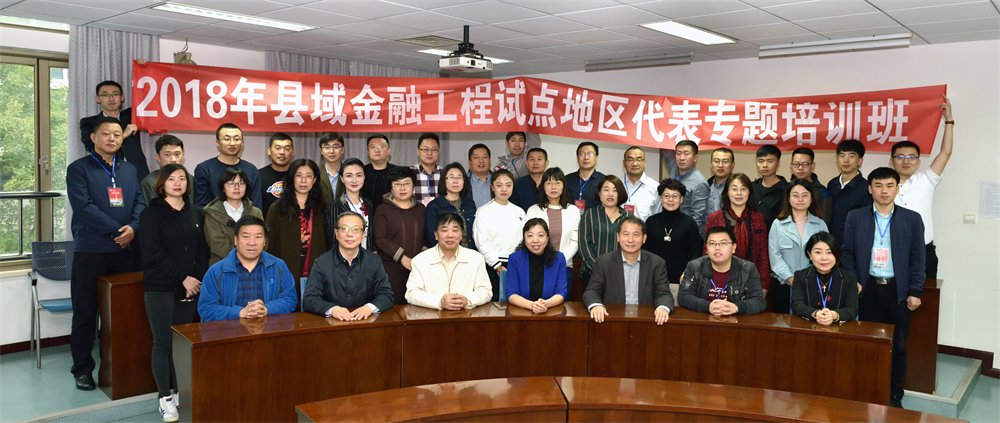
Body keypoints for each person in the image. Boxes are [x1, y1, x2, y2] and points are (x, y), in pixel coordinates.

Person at [67, 117, 145, 391]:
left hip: (126, 251)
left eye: (117, 134)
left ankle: (117, 366)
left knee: (122, 314)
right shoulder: (79, 169)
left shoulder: (129, 169)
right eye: (106, 134)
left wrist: (133, 229)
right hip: (92, 250)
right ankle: (82, 370)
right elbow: (84, 207)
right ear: (93, 138)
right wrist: (117, 232)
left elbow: (140, 202)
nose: (112, 138)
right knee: (86, 314)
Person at [842, 167, 925, 409]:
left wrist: (915, 291)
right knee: (867, 344)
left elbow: (918, 258)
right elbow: (847, 252)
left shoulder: (912, 219)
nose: (884, 191)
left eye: (889, 185)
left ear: (897, 189)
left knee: (897, 346)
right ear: (870, 189)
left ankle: (894, 394)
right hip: (866, 290)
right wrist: (853, 280)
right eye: (878, 186)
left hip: (898, 292)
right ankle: (868, 390)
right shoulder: (855, 217)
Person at [137, 164, 209, 421]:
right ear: (162, 184)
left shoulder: (196, 212)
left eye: (182, 178)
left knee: (181, 344)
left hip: (189, 287)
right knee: (163, 344)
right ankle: (164, 397)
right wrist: (183, 278)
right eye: (171, 179)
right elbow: (153, 253)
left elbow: (203, 249)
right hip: (160, 286)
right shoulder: (151, 213)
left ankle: (181, 394)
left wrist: (195, 279)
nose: (177, 183)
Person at [892, 96, 954, 278]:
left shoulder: (926, 180)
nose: (906, 161)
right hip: (892, 252)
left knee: (925, 295)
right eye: (900, 157)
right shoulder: (883, 186)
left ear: (918, 162)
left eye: (911, 157)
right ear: (891, 161)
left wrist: (949, 120)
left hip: (923, 253)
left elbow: (946, 152)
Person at [198, 215, 298, 322]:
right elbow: (206, 309)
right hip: (229, 331)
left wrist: (266, 309)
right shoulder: (216, 271)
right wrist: (241, 313)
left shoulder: (278, 266)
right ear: (235, 240)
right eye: (246, 237)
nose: (252, 242)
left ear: (265, 241)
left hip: (269, 329)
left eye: (258, 237)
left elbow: (290, 300)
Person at [582, 216, 673, 325]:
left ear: (644, 238)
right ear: (618, 237)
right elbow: (592, 291)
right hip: (612, 321)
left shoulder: (656, 263)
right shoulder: (604, 262)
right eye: (626, 234)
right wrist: (597, 305)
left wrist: (662, 307)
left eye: (636, 235)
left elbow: (664, 293)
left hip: (646, 322)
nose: (630, 240)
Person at [303, 212, 395, 320]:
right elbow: (309, 299)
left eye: (356, 229)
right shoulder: (321, 262)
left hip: (365, 321)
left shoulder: (374, 261)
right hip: (332, 323)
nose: (350, 234)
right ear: (336, 233)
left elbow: (386, 295)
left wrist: (369, 308)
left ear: (363, 234)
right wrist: (332, 310)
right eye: (344, 229)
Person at [265, 159, 329, 303]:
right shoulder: (277, 209)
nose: (303, 180)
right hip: (285, 272)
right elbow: (270, 245)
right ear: (291, 178)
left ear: (315, 180)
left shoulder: (323, 208)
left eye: (308, 176)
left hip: (315, 271)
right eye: (299, 175)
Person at [405, 213, 492, 310]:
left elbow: (486, 291)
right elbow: (411, 294)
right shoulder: (420, 260)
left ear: (461, 235)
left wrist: (467, 300)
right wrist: (439, 302)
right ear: (436, 235)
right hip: (431, 316)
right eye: (444, 230)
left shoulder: (476, 258)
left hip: (466, 315)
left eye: (455, 230)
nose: (450, 235)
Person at [768, 179, 829, 314]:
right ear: (789, 199)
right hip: (784, 285)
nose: (800, 199)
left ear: (811, 199)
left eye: (805, 195)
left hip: (814, 285)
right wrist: (792, 279)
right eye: (795, 195)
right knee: (784, 323)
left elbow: (827, 256)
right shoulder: (777, 224)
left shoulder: (820, 224)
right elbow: (775, 257)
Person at [705, 173, 771, 294]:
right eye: (734, 189)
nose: (739, 193)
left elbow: (763, 254)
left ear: (749, 192)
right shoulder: (715, 218)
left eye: (743, 189)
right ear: (727, 192)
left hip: (751, 279)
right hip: (720, 278)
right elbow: (707, 251)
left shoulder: (758, 218)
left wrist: (764, 285)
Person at [679, 227, 766, 316]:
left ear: (734, 247)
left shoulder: (748, 269)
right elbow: (683, 296)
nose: (717, 248)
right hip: (703, 320)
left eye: (723, 243)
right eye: (712, 243)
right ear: (706, 248)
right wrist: (708, 306)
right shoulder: (694, 267)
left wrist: (736, 307)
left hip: (735, 321)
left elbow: (759, 301)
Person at [525, 167, 580, 300]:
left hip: (564, 267)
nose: (553, 187)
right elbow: (529, 239)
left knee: (562, 307)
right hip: (538, 267)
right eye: (549, 183)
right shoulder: (533, 210)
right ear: (543, 186)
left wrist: (559, 261)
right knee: (538, 306)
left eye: (557, 183)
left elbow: (575, 241)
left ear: (563, 186)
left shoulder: (573, 211)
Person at [374, 166, 426, 304]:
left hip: (418, 269)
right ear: (391, 189)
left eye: (407, 183)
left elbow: (426, 237)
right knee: (393, 308)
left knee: (418, 308)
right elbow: (380, 238)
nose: (402, 188)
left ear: (413, 187)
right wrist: (402, 257)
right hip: (391, 270)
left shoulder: (421, 209)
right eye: (397, 184)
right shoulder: (382, 209)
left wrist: (419, 259)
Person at [472, 169, 525, 301]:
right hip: (491, 265)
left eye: (508, 185)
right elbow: (481, 242)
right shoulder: (483, 211)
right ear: (492, 187)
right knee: (494, 304)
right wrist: (497, 266)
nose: (504, 189)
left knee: (516, 304)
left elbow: (525, 241)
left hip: (516, 265)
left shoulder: (520, 212)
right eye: (499, 185)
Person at [80, 80, 149, 180]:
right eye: (105, 95)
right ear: (97, 99)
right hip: (106, 172)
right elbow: (92, 148)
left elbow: (154, 102)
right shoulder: (89, 123)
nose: (111, 99)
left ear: (122, 97)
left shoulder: (132, 115)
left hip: (138, 172)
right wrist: (123, 135)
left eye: (115, 94)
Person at [578, 175, 634, 292]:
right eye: (606, 190)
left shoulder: (629, 217)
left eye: (615, 190)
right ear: (599, 193)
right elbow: (584, 246)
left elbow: (632, 245)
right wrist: (599, 269)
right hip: (592, 273)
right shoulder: (589, 215)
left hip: (621, 274)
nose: (610, 194)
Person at [790, 232, 859, 325]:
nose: (824, 258)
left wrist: (834, 315)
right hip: (808, 328)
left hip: (839, 330)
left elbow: (852, 309)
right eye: (818, 252)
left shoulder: (849, 278)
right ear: (809, 254)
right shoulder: (800, 276)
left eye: (829, 252)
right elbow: (797, 305)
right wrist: (815, 314)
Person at [643, 179, 702, 286]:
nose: (670, 200)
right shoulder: (651, 221)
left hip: (681, 278)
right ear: (661, 198)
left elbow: (695, 252)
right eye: (666, 196)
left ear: (681, 199)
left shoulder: (689, 222)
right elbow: (645, 251)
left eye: (675, 196)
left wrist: (688, 273)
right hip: (653, 277)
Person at [193, 123, 262, 209]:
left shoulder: (251, 169)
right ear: (217, 143)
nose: (232, 143)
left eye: (236, 139)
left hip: (246, 217)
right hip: (213, 216)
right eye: (227, 139)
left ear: (242, 143)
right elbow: (200, 206)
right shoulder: (204, 169)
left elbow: (256, 204)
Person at [204, 168, 264, 265]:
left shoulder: (256, 212)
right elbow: (217, 243)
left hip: (253, 265)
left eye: (241, 183)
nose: (237, 188)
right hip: (222, 265)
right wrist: (242, 258)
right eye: (231, 184)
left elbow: (263, 239)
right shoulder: (212, 213)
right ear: (223, 188)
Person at [506, 218, 567, 311]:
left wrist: (545, 304)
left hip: (550, 311)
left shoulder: (559, 258)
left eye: (540, 235)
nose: (535, 240)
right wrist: (532, 305)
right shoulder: (515, 259)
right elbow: (511, 294)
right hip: (522, 311)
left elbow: (561, 293)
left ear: (547, 238)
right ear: (524, 239)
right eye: (530, 235)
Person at [827, 139, 873, 243]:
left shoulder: (866, 188)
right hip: (830, 242)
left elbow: (866, 222)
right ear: (837, 159)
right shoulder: (832, 184)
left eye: (851, 156)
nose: (846, 160)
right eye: (842, 156)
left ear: (860, 161)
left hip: (852, 242)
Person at [660, 140, 709, 235]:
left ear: (695, 158)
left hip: (684, 233)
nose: (682, 158)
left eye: (686, 154)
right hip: (668, 228)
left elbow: (697, 218)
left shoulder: (699, 183)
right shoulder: (674, 168)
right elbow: (663, 144)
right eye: (678, 154)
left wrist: (687, 236)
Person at [325, 158, 375, 252]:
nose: (354, 180)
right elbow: (333, 241)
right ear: (342, 179)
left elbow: (371, 236)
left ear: (364, 177)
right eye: (349, 176)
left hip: (367, 256)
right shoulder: (335, 206)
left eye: (359, 175)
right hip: (345, 258)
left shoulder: (368, 204)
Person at [425, 163, 477, 250]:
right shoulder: (434, 206)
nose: (455, 181)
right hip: (444, 254)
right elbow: (432, 237)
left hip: (469, 254)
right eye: (451, 177)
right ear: (444, 180)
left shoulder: (470, 204)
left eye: (459, 177)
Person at [789, 147, 832, 227]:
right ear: (791, 166)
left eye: (805, 164)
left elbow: (825, 222)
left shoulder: (822, 192)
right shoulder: (786, 189)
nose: (800, 168)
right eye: (796, 164)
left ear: (813, 166)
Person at [140, 135, 191, 204]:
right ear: (158, 157)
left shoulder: (190, 179)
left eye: (177, 154)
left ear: (183, 156)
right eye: (167, 155)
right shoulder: (149, 182)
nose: (173, 159)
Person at [259, 133, 294, 219]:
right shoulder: (259, 175)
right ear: (269, 151)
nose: (282, 152)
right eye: (277, 148)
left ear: (292, 152)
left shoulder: (299, 176)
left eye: (287, 149)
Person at [753, 145, 788, 230]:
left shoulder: (786, 190)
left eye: (770, 161)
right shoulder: (751, 187)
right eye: (760, 161)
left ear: (778, 164)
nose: (764, 165)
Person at [361, 134, 400, 212]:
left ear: (389, 151)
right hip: (365, 215)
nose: (377, 150)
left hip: (393, 215)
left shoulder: (397, 172)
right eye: (373, 147)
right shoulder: (361, 172)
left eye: (381, 147)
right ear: (368, 152)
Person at [565, 141, 605, 211]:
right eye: (582, 154)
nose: (586, 157)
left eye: (590, 154)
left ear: (596, 158)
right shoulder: (566, 180)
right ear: (577, 158)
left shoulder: (604, 181)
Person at [621, 147, 658, 221]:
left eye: (639, 160)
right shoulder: (616, 185)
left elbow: (657, 217)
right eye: (630, 160)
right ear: (624, 163)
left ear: (644, 163)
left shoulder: (655, 188)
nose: (634, 164)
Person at [412, 133, 442, 205]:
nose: (429, 153)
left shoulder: (445, 173)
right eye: (425, 149)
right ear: (418, 151)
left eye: (434, 149)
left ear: (439, 151)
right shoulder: (409, 173)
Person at [317, 132, 344, 205]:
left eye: (336, 147)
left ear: (342, 150)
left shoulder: (349, 173)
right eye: (327, 147)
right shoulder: (315, 174)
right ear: (321, 151)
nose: (331, 151)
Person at [707, 148, 735, 215]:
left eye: (725, 161)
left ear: (732, 165)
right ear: (711, 164)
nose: (720, 165)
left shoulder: (739, 188)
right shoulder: (705, 186)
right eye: (716, 161)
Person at [467, 143, 493, 208]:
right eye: (476, 157)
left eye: (485, 157)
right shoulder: (464, 182)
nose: (481, 161)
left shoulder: (498, 180)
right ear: (469, 162)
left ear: (490, 161)